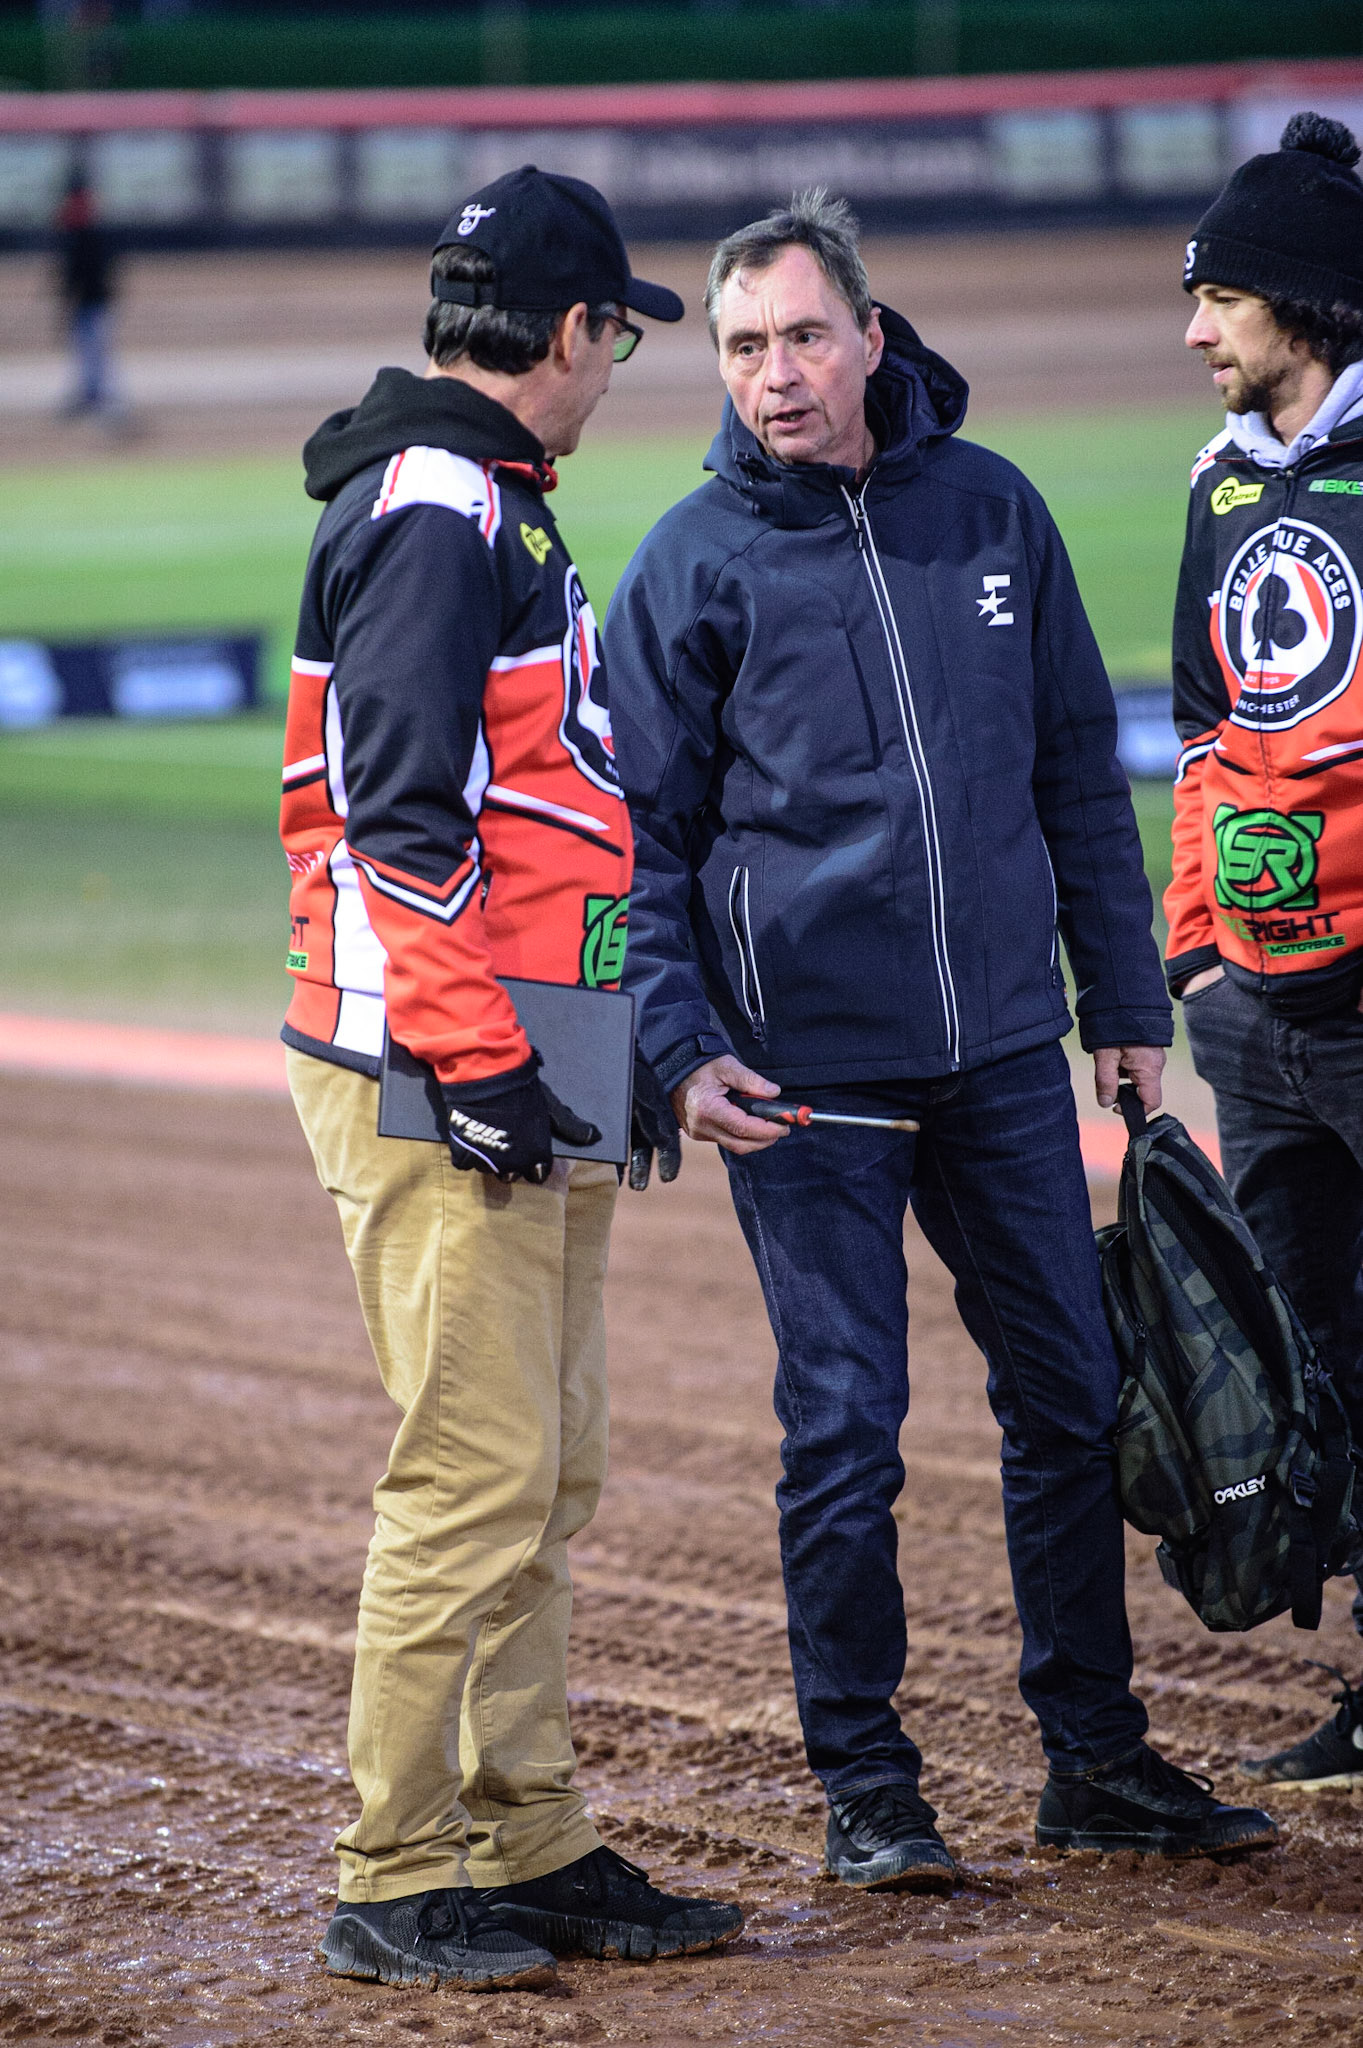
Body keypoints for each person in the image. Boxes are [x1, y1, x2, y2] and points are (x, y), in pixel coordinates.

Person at [605, 188, 1278, 1887]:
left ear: (870, 336)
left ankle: (1092, 1755)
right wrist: (678, 1046)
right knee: (845, 1427)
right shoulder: (687, 563)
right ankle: (866, 1784)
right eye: (743, 344)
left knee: (1068, 1396)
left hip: (992, 1054)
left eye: (802, 335)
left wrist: (1120, 1007)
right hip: (800, 1075)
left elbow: (1075, 769)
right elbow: (638, 847)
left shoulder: (991, 510)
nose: (773, 372)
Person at [280, 165, 733, 1994]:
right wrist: (481, 1061)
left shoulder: (483, 503)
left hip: (513, 1049)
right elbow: (398, 818)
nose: (619, 363)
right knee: (474, 1470)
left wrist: (592, 1048)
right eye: (618, 331)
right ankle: (392, 1869)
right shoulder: (439, 507)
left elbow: (535, 814)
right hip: (431, 1063)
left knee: (549, 1467)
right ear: (571, 332)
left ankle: (524, 1832)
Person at [1167, 113, 1363, 1790]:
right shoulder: (1216, 483)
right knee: (1320, 1347)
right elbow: (1198, 729)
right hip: (1255, 1012)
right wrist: (1189, 962)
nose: (1193, 330)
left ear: (1300, 305)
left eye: (1218, 297)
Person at [54, 171, 121, 423]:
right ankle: (91, 396)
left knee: (97, 352)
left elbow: (101, 269)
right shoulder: (73, 230)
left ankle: (107, 401)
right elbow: (70, 273)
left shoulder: (92, 230)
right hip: (85, 302)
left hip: (95, 301)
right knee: (87, 351)